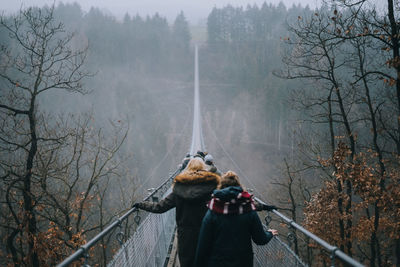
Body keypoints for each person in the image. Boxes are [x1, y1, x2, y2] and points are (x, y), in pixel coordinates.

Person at [133, 158, 220, 267]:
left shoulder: (179, 190)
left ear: (188, 168)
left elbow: (160, 207)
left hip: (185, 237)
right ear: (204, 168)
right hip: (206, 234)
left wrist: (142, 204)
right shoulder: (212, 188)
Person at [194, 171, 278, 267]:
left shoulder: (213, 211)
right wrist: (270, 233)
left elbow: (203, 246)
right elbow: (260, 239)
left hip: (217, 262)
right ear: (239, 186)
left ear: (221, 186)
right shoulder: (248, 209)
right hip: (242, 262)